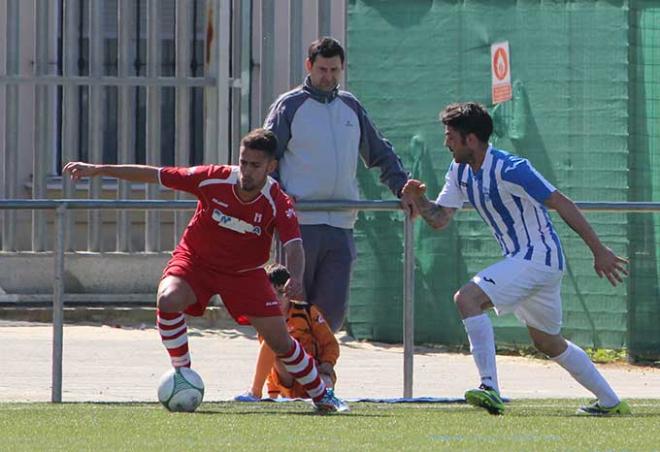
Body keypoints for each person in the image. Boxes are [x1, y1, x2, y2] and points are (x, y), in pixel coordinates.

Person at [62, 128, 348, 413]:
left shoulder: (277, 200)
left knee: (280, 341)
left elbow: (294, 244)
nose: (246, 171)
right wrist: (98, 170)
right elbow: (156, 174)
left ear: (271, 167)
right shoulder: (213, 178)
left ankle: (323, 396)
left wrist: (296, 277)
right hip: (196, 261)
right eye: (243, 162)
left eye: (255, 165)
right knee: (168, 299)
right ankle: (184, 376)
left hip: (244, 273)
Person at [402, 102, 630, 416]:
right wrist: (420, 199)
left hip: (539, 258)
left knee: (466, 298)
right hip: (527, 262)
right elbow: (440, 219)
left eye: (450, 136)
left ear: (470, 140)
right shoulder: (459, 170)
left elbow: (561, 202)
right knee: (548, 342)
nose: (446, 143)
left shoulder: (511, 168)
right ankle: (611, 402)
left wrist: (598, 250)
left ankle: (490, 388)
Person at [264, 36, 416, 332]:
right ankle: (291, 376)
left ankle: (320, 376)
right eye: (322, 69)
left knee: (330, 316)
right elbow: (264, 159)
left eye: (335, 70)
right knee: (293, 311)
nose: (328, 77)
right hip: (299, 225)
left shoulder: (351, 107)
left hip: (341, 225)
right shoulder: (289, 106)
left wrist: (402, 187)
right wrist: (280, 196)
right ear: (309, 66)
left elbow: (380, 152)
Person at [235, 263, 340, 401]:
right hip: (288, 380)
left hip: (315, 373)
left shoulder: (307, 311)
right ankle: (255, 392)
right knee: (271, 342)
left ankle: (325, 399)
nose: (278, 298)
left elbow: (330, 343)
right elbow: (268, 362)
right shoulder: (266, 321)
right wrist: (272, 394)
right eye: (272, 294)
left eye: (281, 293)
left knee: (325, 382)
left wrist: (327, 364)